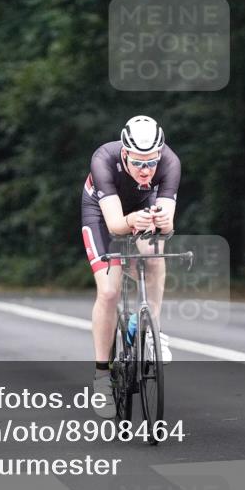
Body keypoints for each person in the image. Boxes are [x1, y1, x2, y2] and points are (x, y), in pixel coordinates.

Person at [81, 116, 180, 418]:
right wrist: (131, 221)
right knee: (109, 293)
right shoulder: (104, 159)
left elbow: (168, 224)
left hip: (142, 204)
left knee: (154, 253)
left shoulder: (171, 163)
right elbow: (114, 224)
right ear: (125, 153)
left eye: (152, 163)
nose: (146, 170)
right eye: (138, 163)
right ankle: (101, 377)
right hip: (102, 211)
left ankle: (153, 330)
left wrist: (163, 223)